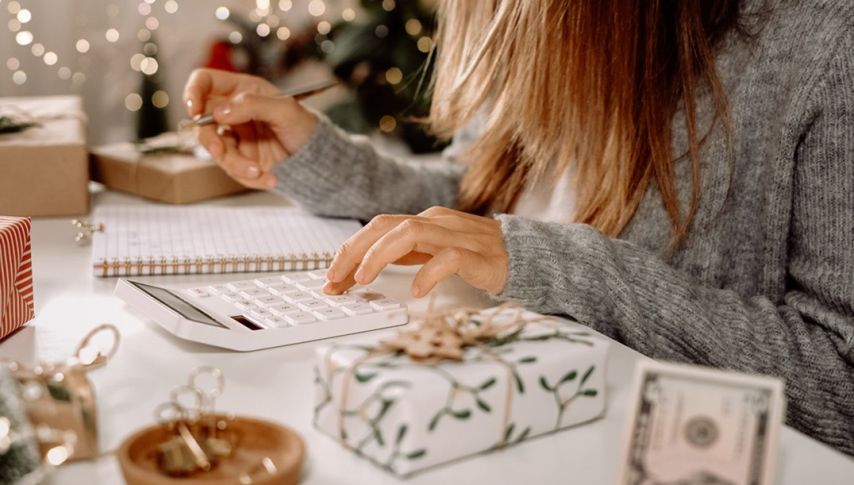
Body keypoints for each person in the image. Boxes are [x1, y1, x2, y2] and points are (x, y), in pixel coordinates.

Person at [184, 0, 854, 455]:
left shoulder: (820, 47)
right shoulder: (532, 26)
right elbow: (472, 198)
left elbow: (840, 385)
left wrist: (554, 264)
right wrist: (311, 149)